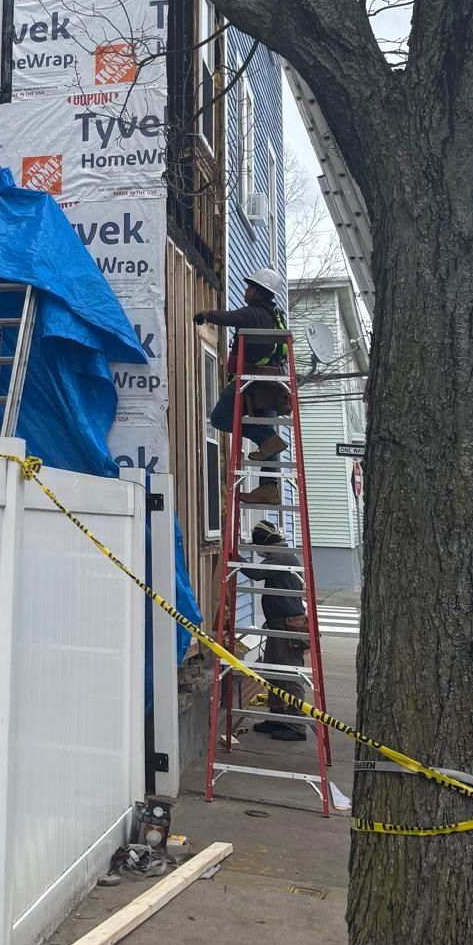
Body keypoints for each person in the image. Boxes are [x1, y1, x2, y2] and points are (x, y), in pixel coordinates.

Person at [194, 265, 289, 507]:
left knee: (219, 418)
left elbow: (230, 318)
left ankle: (266, 440)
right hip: (273, 387)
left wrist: (206, 314)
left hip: (252, 384)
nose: (246, 291)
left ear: (258, 291)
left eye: (249, 287)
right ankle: (270, 487)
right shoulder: (276, 316)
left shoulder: (255, 313)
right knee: (269, 436)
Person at [242, 520, 309, 741]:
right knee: (273, 674)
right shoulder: (279, 554)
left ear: (265, 542)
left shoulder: (281, 555)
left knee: (289, 676)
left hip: (288, 625)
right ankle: (278, 717)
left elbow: (257, 573)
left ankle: (296, 726)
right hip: (278, 625)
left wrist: (235, 560)